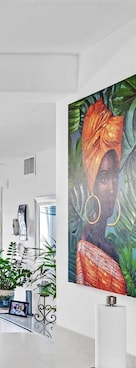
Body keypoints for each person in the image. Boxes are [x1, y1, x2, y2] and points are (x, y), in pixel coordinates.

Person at [75, 99, 126, 294]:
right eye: (104, 178)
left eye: (114, 176)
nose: (112, 187)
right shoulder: (87, 245)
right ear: (92, 185)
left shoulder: (107, 243)